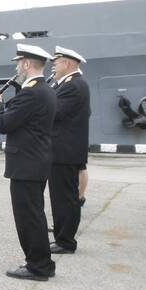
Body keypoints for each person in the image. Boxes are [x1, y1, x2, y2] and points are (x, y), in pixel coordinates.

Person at [0, 44, 57, 280]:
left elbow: (4, 124)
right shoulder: (43, 89)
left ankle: (37, 266)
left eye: (19, 62)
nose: (17, 66)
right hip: (35, 160)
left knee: (29, 217)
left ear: (27, 64)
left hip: (26, 163)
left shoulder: (32, 92)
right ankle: (43, 262)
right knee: (34, 214)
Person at [48, 47, 91, 255]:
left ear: (67, 64)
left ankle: (65, 241)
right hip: (65, 149)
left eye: (56, 62)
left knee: (64, 197)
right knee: (61, 197)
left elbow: (54, 112)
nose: (54, 66)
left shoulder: (73, 86)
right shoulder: (71, 84)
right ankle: (62, 234)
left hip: (65, 151)